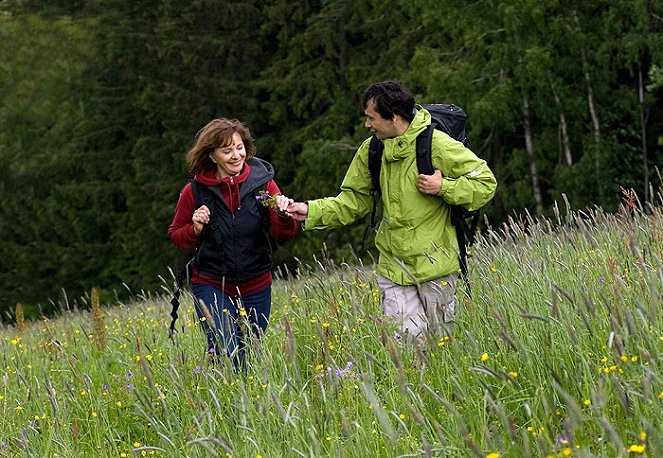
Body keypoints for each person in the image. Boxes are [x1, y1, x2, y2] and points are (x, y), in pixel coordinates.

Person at [287, 80, 497, 342]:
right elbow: (354, 201)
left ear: (394, 117)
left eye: (371, 118)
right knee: (407, 348)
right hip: (394, 268)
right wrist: (310, 211)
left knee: (443, 346)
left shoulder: (437, 145)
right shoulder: (372, 150)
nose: (367, 125)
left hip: (437, 267)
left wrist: (444, 186)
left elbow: (485, 182)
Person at [168, 118, 297, 370]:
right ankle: (224, 388)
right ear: (212, 156)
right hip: (211, 282)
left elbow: (284, 235)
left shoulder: (264, 184)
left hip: (256, 280)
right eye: (227, 151)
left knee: (251, 350)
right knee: (230, 351)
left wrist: (283, 215)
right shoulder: (194, 191)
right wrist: (194, 228)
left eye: (239, 147)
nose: (236, 155)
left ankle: (234, 394)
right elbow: (176, 235)